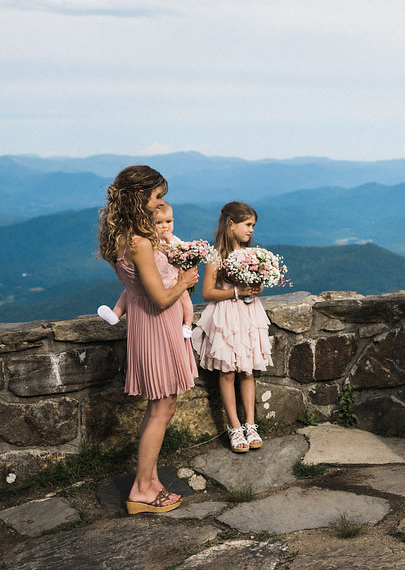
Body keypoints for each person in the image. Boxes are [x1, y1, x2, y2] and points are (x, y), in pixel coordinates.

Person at [97, 165, 199, 515]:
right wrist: (185, 281)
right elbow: (159, 297)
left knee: (161, 405)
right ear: (140, 198)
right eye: (157, 197)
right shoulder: (140, 242)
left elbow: (137, 288)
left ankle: (150, 478)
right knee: (161, 407)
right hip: (157, 322)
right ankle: (142, 489)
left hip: (146, 321)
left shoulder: (122, 235)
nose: (161, 204)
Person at [194, 202, 273, 454]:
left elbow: (257, 285)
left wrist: (256, 287)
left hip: (249, 315)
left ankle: (251, 423)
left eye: (253, 225)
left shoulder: (253, 254)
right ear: (231, 224)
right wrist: (236, 291)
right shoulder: (217, 255)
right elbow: (207, 292)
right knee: (228, 372)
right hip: (227, 316)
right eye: (247, 224)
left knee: (248, 371)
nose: (251, 230)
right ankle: (234, 425)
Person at [98, 203, 194, 339]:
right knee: (127, 292)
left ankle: (188, 325)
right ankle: (115, 314)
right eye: (159, 223)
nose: (165, 226)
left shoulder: (174, 239)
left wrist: (170, 241)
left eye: (168, 221)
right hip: (153, 284)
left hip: (171, 280)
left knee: (184, 296)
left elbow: (182, 253)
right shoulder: (148, 242)